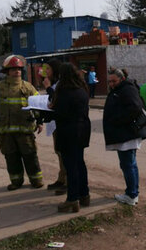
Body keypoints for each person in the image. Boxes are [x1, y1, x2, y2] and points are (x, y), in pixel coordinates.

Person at [0, 55, 44, 191]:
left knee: (30, 155)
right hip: (5, 130)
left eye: (19, 69)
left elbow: (38, 105)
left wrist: (39, 122)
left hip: (25, 130)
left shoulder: (28, 87)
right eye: (13, 69)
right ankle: (16, 181)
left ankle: (36, 180)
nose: (17, 71)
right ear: (6, 72)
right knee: (11, 157)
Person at [50, 63, 91, 212]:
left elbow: (60, 113)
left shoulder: (64, 92)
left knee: (71, 166)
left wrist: (50, 108)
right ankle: (84, 194)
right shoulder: (82, 89)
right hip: (82, 130)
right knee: (80, 163)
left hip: (68, 131)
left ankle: (72, 199)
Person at [103, 68, 146, 206]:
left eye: (114, 81)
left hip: (127, 134)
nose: (111, 84)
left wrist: (117, 120)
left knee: (128, 164)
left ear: (121, 79)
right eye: (109, 81)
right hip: (125, 134)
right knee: (129, 164)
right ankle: (132, 193)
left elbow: (135, 108)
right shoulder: (121, 89)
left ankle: (131, 195)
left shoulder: (127, 89)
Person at [42, 59, 67, 195]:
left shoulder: (61, 84)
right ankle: (61, 178)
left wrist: (48, 88)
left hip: (61, 124)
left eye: (48, 69)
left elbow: (57, 101)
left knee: (64, 153)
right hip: (55, 123)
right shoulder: (54, 84)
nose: (46, 72)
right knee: (59, 152)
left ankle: (68, 181)